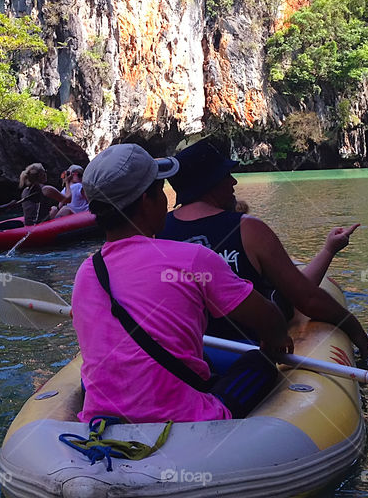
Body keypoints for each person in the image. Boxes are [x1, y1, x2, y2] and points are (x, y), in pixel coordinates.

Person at [71, 143, 293, 423]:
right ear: (146, 201)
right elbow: (272, 323)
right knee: (259, 365)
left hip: (103, 417)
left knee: (201, 358)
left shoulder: (87, 271)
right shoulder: (194, 259)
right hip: (187, 419)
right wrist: (275, 340)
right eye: (162, 191)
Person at [159, 139, 368, 358]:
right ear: (210, 183)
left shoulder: (157, 229)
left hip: (180, 353)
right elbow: (307, 298)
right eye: (225, 175)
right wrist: (355, 329)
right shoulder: (248, 228)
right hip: (242, 356)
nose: (233, 182)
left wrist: (328, 250)